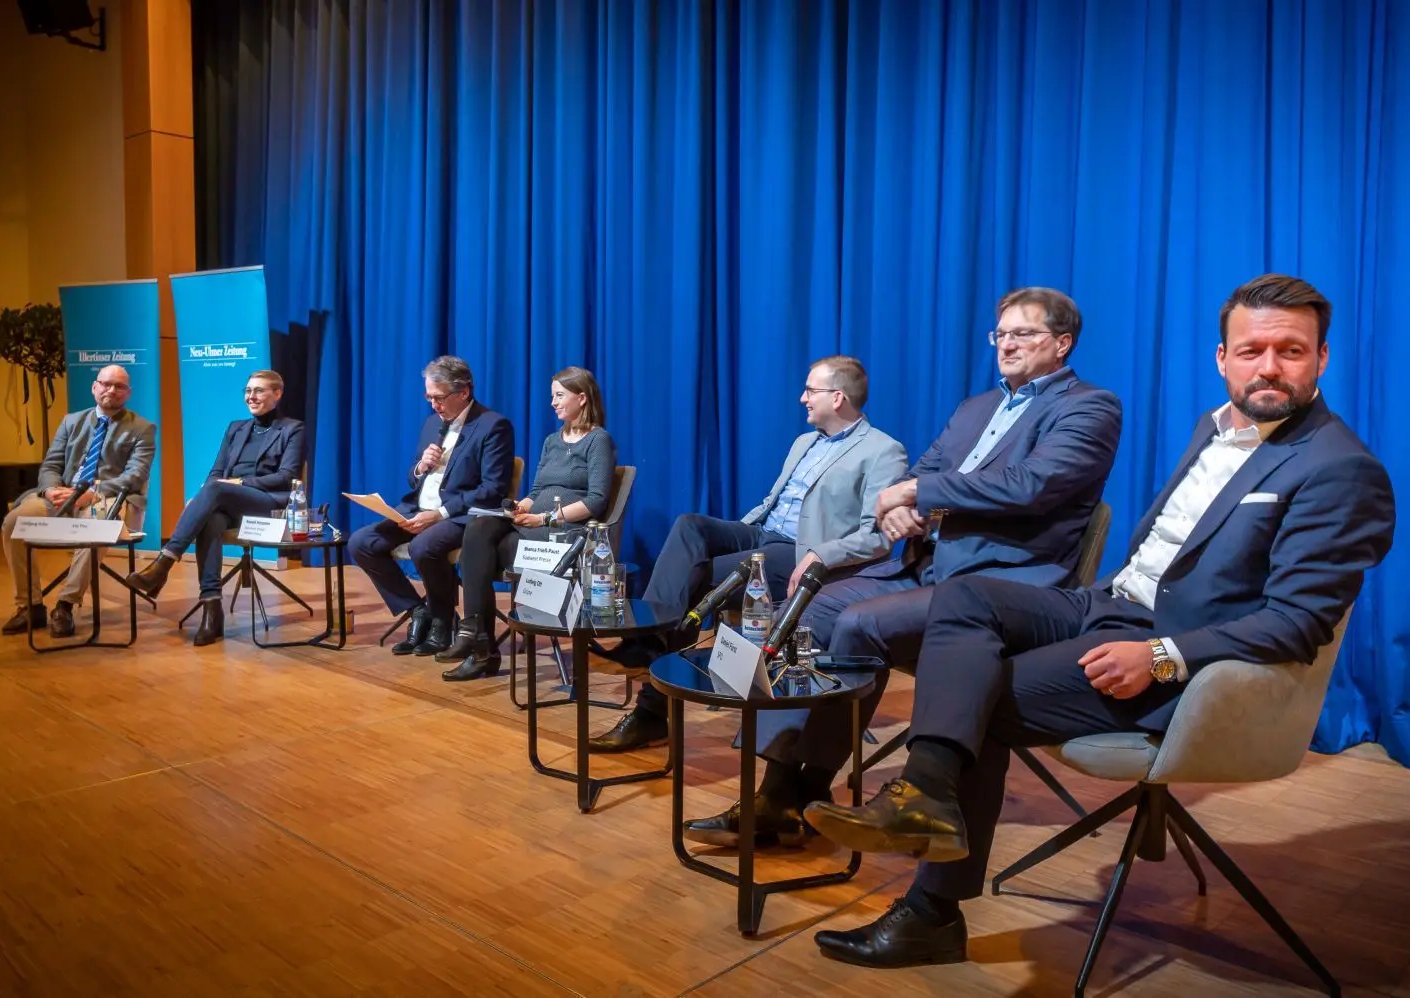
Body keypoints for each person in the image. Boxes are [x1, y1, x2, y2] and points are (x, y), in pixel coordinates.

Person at [800, 274, 1396, 969]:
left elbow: (1296, 624)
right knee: (966, 600)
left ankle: (931, 913)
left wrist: (1163, 655)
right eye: (1250, 350)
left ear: (1322, 358)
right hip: (1110, 605)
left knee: (974, 693)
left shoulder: (1339, 468)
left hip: (1179, 653)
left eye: (1289, 351)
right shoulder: (1214, 427)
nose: (1268, 367)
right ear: (1221, 358)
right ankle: (924, 791)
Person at [683, 287, 1124, 848]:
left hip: (1002, 583)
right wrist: (905, 502)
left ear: (1062, 344)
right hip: (925, 567)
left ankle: (803, 790)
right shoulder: (976, 408)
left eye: (1024, 333)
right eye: (1001, 334)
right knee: (809, 610)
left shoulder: (1089, 406)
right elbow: (923, 470)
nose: (1007, 344)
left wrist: (917, 495)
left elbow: (1031, 484)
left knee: (859, 624)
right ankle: (775, 792)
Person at [589, 355, 910, 753]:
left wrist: (821, 555)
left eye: (810, 390)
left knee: (694, 579)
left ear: (838, 397)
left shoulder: (883, 451)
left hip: (803, 553)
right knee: (690, 526)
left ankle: (650, 708)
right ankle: (649, 645)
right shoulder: (804, 442)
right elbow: (773, 502)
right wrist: (740, 532)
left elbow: (876, 538)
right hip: (761, 535)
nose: (803, 398)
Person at [437, 366, 617, 681]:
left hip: (564, 538)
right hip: (530, 529)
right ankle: (476, 638)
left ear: (582, 398)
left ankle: (479, 646)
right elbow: (536, 492)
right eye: (552, 396)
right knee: (480, 526)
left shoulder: (598, 440)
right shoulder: (552, 441)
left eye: (559, 396)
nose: (553, 403)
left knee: (476, 554)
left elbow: (596, 501)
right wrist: (522, 508)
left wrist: (545, 517)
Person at [348, 356, 514, 656]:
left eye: (439, 398)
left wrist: (438, 515)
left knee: (423, 547)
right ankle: (417, 610)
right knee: (362, 542)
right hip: (417, 509)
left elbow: (492, 489)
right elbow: (414, 480)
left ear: (464, 392)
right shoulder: (431, 423)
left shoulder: (493, 426)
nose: (434, 405)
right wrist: (420, 467)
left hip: (459, 515)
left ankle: (442, 621)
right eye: (429, 398)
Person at [124, 370, 306, 646]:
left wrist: (238, 483)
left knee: (216, 490)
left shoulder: (292, 429)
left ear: (277, 394)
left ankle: (164, 563)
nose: (251, 396)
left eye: (258, 390)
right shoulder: (236, 428)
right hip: (229, 501)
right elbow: (217, 471)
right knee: (210, 517)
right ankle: (212, 609)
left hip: (268, 503)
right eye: (248, 391)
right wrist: (205, 497)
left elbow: (287, 477)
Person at [0, 365, 156, 638]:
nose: (112, 390)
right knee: (14, 522)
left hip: (107, 497)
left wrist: (93, 492)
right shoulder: (71, 422)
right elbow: (51, 465)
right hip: (63, 495)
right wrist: (50, 490)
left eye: (119, 386)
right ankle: (30, 606)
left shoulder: (142, 428)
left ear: (128, 393)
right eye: (106, 384)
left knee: (97, 527)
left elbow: (135, 475)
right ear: (94, 387)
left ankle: (65, 605)